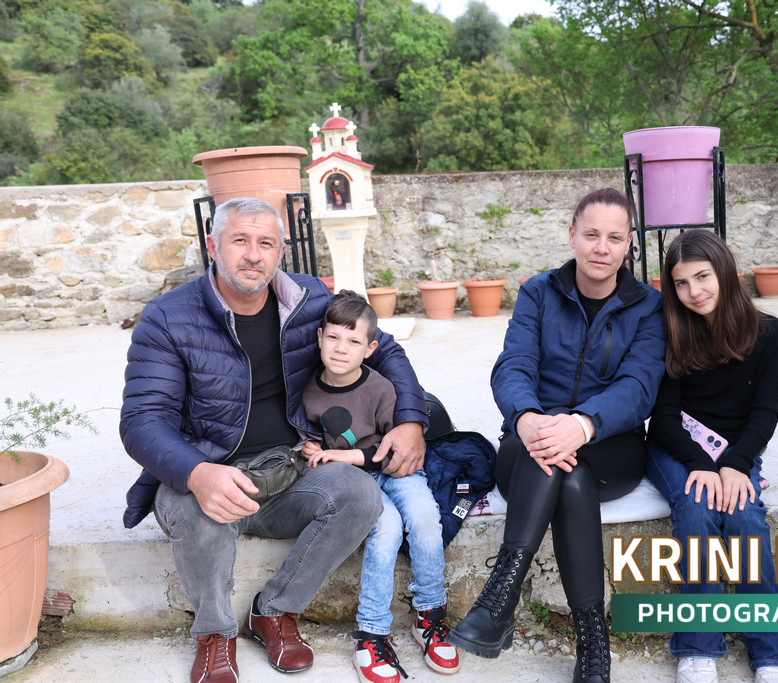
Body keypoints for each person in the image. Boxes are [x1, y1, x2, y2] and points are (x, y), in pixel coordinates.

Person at [120, 197, 430, 683]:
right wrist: (197, 473)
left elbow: (382, 347)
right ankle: (215, 635)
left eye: (266, 243)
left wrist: (410, 420)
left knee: (358, 494)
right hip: (205, 473)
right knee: (199, 516)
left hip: (288, 468)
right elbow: (142, 419)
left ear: (281, 252)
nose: (253, 254)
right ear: (213, 246)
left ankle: (274, 612)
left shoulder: (308, 299)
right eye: (239, 240)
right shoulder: (167, 316)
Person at [445, 188, 666, 683]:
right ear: (572, 235)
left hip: (612, 446)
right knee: (564, 472)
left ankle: (497, 602)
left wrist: (583, 425)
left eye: (614, 238)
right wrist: (527, 418)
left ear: (629, 243)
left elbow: (639, 387)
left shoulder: (649, 306)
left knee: (570, 467)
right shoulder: (538, 292)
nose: (601, 248)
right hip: (531, 442)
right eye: (591, 235)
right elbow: (514, 365)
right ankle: (593, 644)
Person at [645, 230, 778, 683]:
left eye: (702, 276)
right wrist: (700, 465)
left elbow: (765, 413)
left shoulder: (772, 333)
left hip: (735, 450)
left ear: (725, 272)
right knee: (696, 508)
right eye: (681, 282)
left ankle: (772, 654)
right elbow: (663, 418)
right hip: (677, 447)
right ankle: (697, 647)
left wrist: (735, 464)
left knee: (745, 517)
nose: (693, 291)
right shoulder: (670, 331)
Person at [300, 291, 459, 683]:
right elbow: (309, 438)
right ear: (319, 337)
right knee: (386, 530)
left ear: (370, 349)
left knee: (425, 518)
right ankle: (371, 633)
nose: (341, 348)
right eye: (334, 337)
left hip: (393, 470)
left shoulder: (382, 388)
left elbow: (392, 450)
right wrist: (310, 448)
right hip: (357, 483)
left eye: (354, 341)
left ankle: (430, 614)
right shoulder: (307, 391)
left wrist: (346, 456)